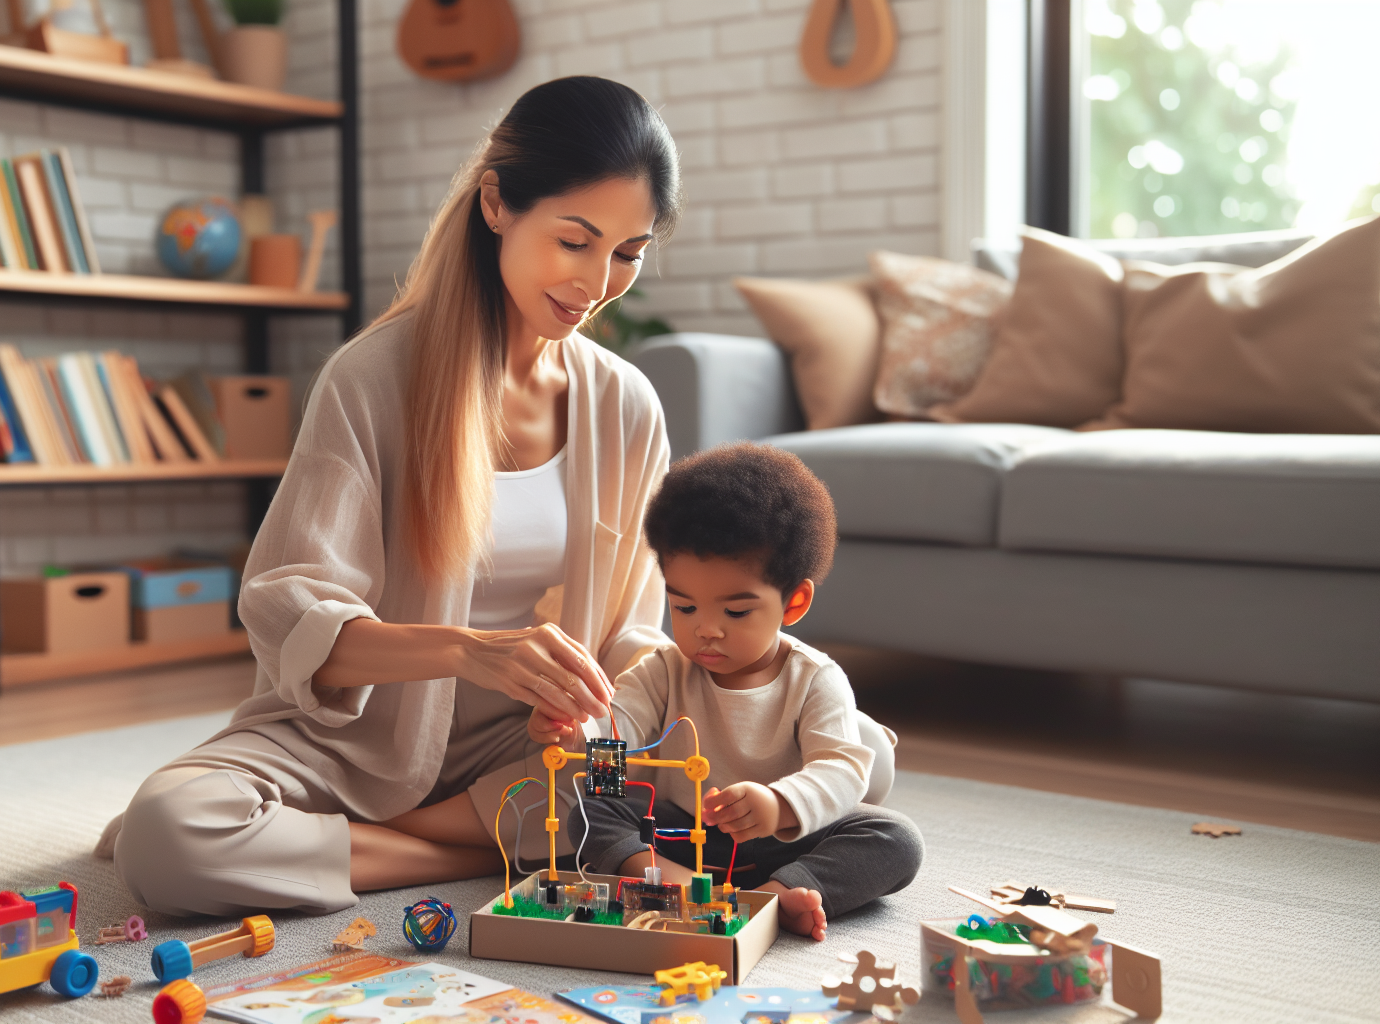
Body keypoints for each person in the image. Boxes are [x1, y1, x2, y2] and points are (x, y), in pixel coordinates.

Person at [95, 76, 682, 918]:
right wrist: (467, 650)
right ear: (496, 205)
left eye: (626, 253)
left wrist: (593, 721)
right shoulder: (373, 378)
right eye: (575, 241)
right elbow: (292, 610)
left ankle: (386, 845)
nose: (596, 281)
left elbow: (633, 632)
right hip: (360, 739)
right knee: (169, 833)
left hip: (529, 754)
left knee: (724, 764)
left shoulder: (627, 406)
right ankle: (458, 848)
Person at [532, 443, 924, 940]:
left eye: (735, 612)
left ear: (794, 602)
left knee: (896, 838)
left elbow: (844, 770)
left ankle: (780, 893)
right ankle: (680, 889)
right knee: (592, 804)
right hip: (680, 839)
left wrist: (779, 804)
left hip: (785, 842)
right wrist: (575, 733)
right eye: (685, 608)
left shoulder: (815, 677)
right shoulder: (662, 671)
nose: (706, 631)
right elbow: (618, 734)